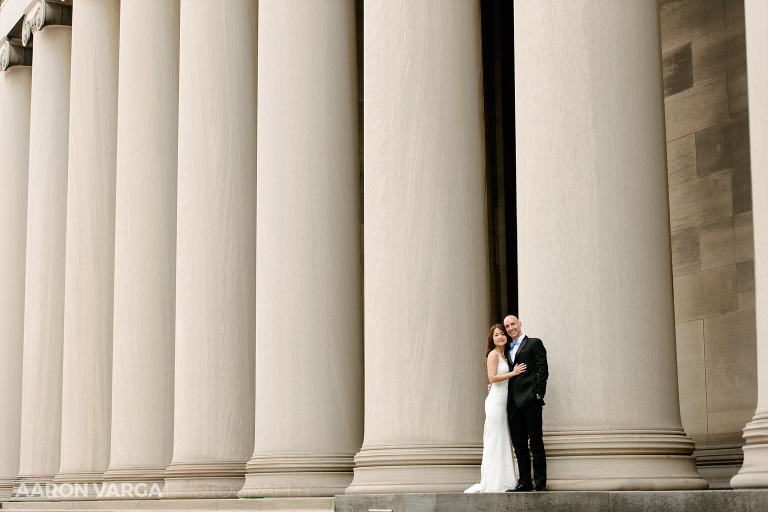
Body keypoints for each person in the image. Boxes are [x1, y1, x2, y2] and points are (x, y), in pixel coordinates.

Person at [465, 324, 527, 493]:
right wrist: (513, 373)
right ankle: (493, 482)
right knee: (495, 438)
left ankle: (504, 479)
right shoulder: (493, 355)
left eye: (502, 334)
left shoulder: (506, 355)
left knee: (502, 439)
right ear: (492, 340)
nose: (500, 337)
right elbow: (492, 377)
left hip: (504, 401)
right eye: (496, 335)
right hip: (495, 402)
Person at [503, 315, 549, 492]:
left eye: (513, 324)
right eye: (507, 326)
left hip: (530, 400)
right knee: (519, 444)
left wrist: (538, 393)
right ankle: (524, 482)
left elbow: (542, 369)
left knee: (536, 442)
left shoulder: (534, 343)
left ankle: (540, 482)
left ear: (520, 324)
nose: (510, 328)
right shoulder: (506, 349)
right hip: (512, 402)